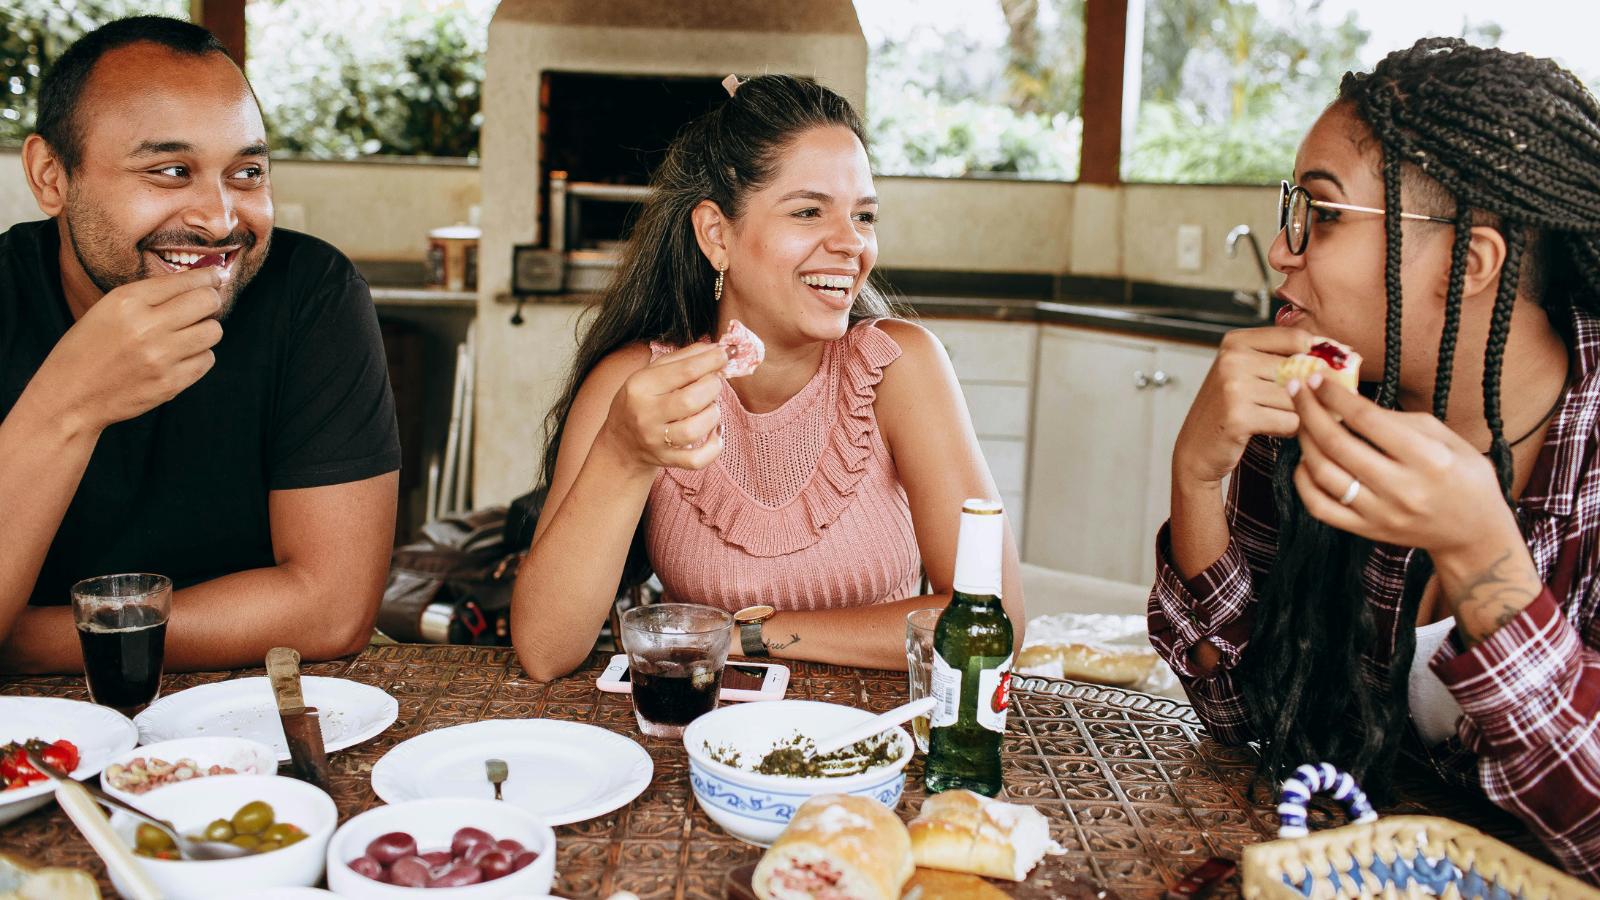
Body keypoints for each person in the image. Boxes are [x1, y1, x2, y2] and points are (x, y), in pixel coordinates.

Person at [1150, 38, 1600, 881]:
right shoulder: (1314, 408)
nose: (1284, 252)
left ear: (1468, 264)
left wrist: (1481, 556)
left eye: (1321, 215)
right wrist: (1197, 477)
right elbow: (1241, 716)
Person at [512, 75, 1024, 680]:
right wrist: (623, 453)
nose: (852, 244)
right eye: (808, 211)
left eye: (864, 215)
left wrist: (747, 634)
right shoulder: (640, 386)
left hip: (881, 742)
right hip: (706, 744)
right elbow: (546, 653)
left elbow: (994, 625)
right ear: (716, 234)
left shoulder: (898, 368)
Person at [0, 17, 400, 673]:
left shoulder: (311, 293)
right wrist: (68, 404)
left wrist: (20, 640)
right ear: (51, 176)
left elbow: (329, 609)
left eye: (246, 172)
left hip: (253, 708)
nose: (219, 221)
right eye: (170, 170)